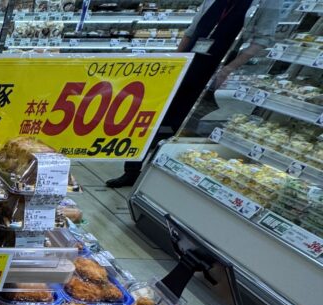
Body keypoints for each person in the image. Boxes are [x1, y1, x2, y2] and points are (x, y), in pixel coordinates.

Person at [106, 0, 280, 187]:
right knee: (153, 118)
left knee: (180, 126)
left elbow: (262, 40)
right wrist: (174, 62)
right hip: (188, 63)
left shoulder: (266, 3)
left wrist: (228, 69)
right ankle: (132, 170)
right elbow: (191, 32)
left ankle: (157, 173)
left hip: (213, 71)